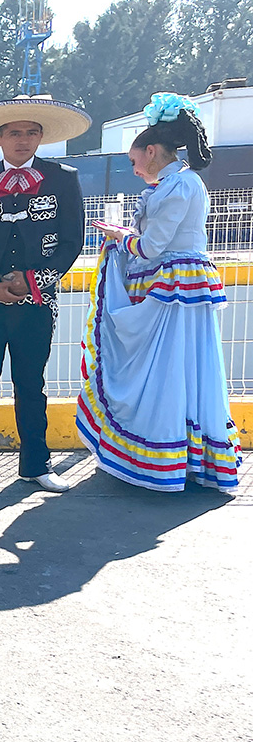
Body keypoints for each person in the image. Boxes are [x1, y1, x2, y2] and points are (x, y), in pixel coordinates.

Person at [82, 93, 242, 492]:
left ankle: (164, 460)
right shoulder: (183, 183)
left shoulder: (179, 185)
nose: (134, 170)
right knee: (186, 368)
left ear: (152, 151)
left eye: (135, 161)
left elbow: (152, 246)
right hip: (183, 287)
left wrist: (120, 236)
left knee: (166, 368)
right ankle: (188, 459)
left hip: (172, 288)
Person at [0, 96, 90, 496]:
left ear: (41, 137)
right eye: (14, 133)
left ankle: (35, 465)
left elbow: (71, 242)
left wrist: (33, 282)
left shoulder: (64, 178)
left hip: (37, 303)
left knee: (31, 384)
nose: (23, 140)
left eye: (31, 132)